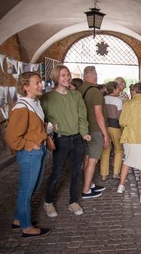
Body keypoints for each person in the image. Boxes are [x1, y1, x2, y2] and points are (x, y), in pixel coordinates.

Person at [41, 65, 91, 217]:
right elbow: (41, 118)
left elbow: (82, 115)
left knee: (76, 172)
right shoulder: (47, 98)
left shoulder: (75, 95)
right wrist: (49, 128)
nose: (67, 78)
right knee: (57, 172)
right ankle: (48, 202)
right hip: (60, 140)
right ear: (56, 77)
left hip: (77, 139)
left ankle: (73, 202)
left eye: (68, 75)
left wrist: (84, 133)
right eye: (63, 75)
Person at [5, 71, 51, 238]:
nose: (41, 85)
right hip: (30, 153)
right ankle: (26, 227)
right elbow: (12, 138)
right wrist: (31, 144)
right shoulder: (22, 107)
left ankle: (18, 220)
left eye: (40, 82)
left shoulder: (34, 102)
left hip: (38, 151)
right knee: (26, 190)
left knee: (33, 188)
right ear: (25, 87)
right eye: (36, 83)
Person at [77, 66, 110, 199]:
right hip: (95, 130)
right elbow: (98, 115)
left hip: (84, 129)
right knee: (93, 160)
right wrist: (106, 134)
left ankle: (89, 183)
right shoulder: (95, 92)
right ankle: (86, 190)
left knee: (86, 157)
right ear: (95, 76)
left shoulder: (79, 90)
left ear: (84, 76)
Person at [100, 81, 123, 181]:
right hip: (115, 127)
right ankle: (116, 173)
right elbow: (120, 117)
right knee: (119, 150)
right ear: (113, 89)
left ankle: (104, 174)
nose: (119, 91)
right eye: (118, 89)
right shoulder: (118, 100)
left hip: (104, 126)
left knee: (105, 150)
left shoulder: (103, 99)